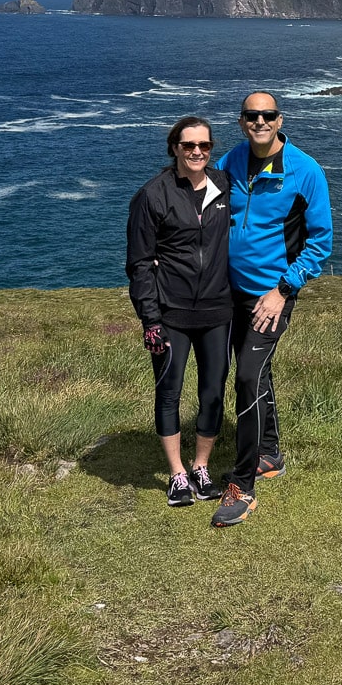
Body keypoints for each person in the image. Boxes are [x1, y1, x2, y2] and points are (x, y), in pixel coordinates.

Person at [211, 91, 333, 527]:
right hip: (230, 292)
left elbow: (321, 241)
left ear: (280, 119)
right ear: (242, 121)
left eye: (267, 115)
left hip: (272, 295)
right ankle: (270, 453)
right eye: (251, 115)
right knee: (255, 373)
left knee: (246, 376)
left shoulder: (305, 171)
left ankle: (243, 486)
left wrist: (283, 290)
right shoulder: (230, 162)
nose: (259, 122)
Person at [126, 116, 233, 508]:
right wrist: (149, 319)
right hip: (171, 315)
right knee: (168, 393)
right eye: (188, 145)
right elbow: (139, 263)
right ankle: (177, 474)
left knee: (212, 394)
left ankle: (201, 467)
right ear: (174, 148)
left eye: (204, 145)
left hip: (218, 310)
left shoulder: (224, 184)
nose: (197, 152)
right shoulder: (152, 195)